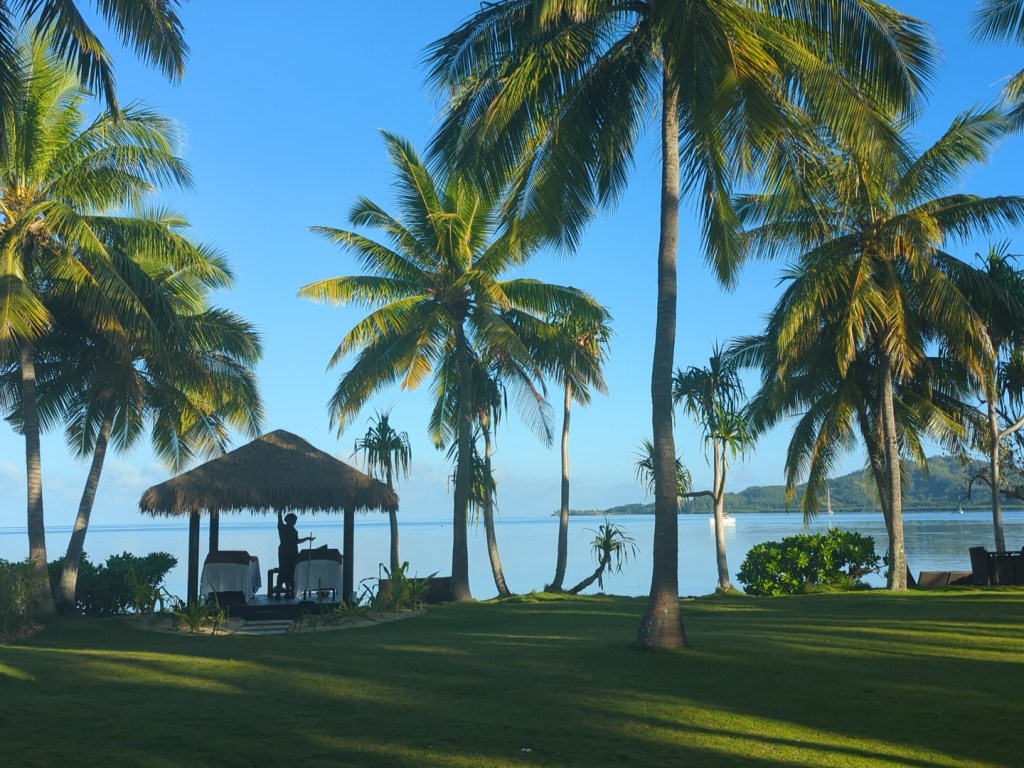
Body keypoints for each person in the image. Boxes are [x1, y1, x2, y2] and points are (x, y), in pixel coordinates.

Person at [277, 510, 314, 598]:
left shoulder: (294, 530)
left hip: (293, 553)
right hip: (284, 553)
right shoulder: (282, 527)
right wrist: (280, 510)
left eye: (295, 521)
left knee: (291, 572)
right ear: (288, 520)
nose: (294, 522)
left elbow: (297, 541)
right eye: (293, 520)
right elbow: (279, 518)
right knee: (283, 572)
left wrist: (307, 538)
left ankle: (288, 592)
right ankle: (278, 593)